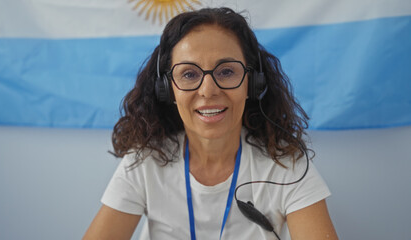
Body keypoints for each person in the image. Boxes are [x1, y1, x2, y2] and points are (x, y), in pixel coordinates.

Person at [83, 7, 338, 240]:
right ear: (166, 89)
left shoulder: (286, 163)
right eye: (189, 74)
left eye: (226, 71)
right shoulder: (146, 159)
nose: (208, 90)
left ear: (253, 82)